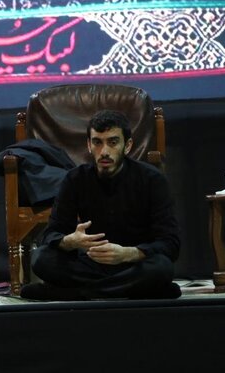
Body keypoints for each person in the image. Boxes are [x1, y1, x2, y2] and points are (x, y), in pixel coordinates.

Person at [20, 109, 181, 301]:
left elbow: (170, 244)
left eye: (113, 142)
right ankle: (130, 290)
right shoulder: (75, 179)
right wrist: (70, 241)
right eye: (97, 142)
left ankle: (72, 294)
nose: (104, 151)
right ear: (89, 145)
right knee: (42, 258)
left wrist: (127, 254)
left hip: (132, 263)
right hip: (91, 264)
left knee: (161, 268)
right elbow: (51, 234)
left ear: (127, 145)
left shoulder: (152, 180)